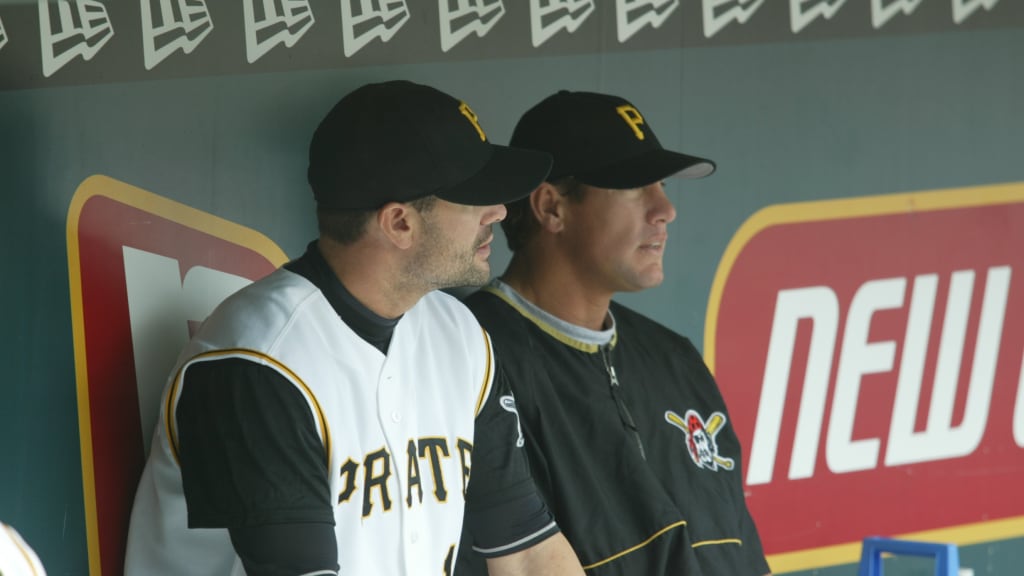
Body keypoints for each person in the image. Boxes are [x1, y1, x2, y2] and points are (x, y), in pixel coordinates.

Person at [125, 80, 585, 576]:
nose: (498, 212)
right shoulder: (256, 362)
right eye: (474, 198)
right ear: (399, 223)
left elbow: (529, 554)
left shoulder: (458, 335)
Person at [456, 90, 772, 575]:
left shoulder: (674, 359)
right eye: (635, 187)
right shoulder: (472, 355)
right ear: (551, 207)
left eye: (661, 185)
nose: (665, 209)